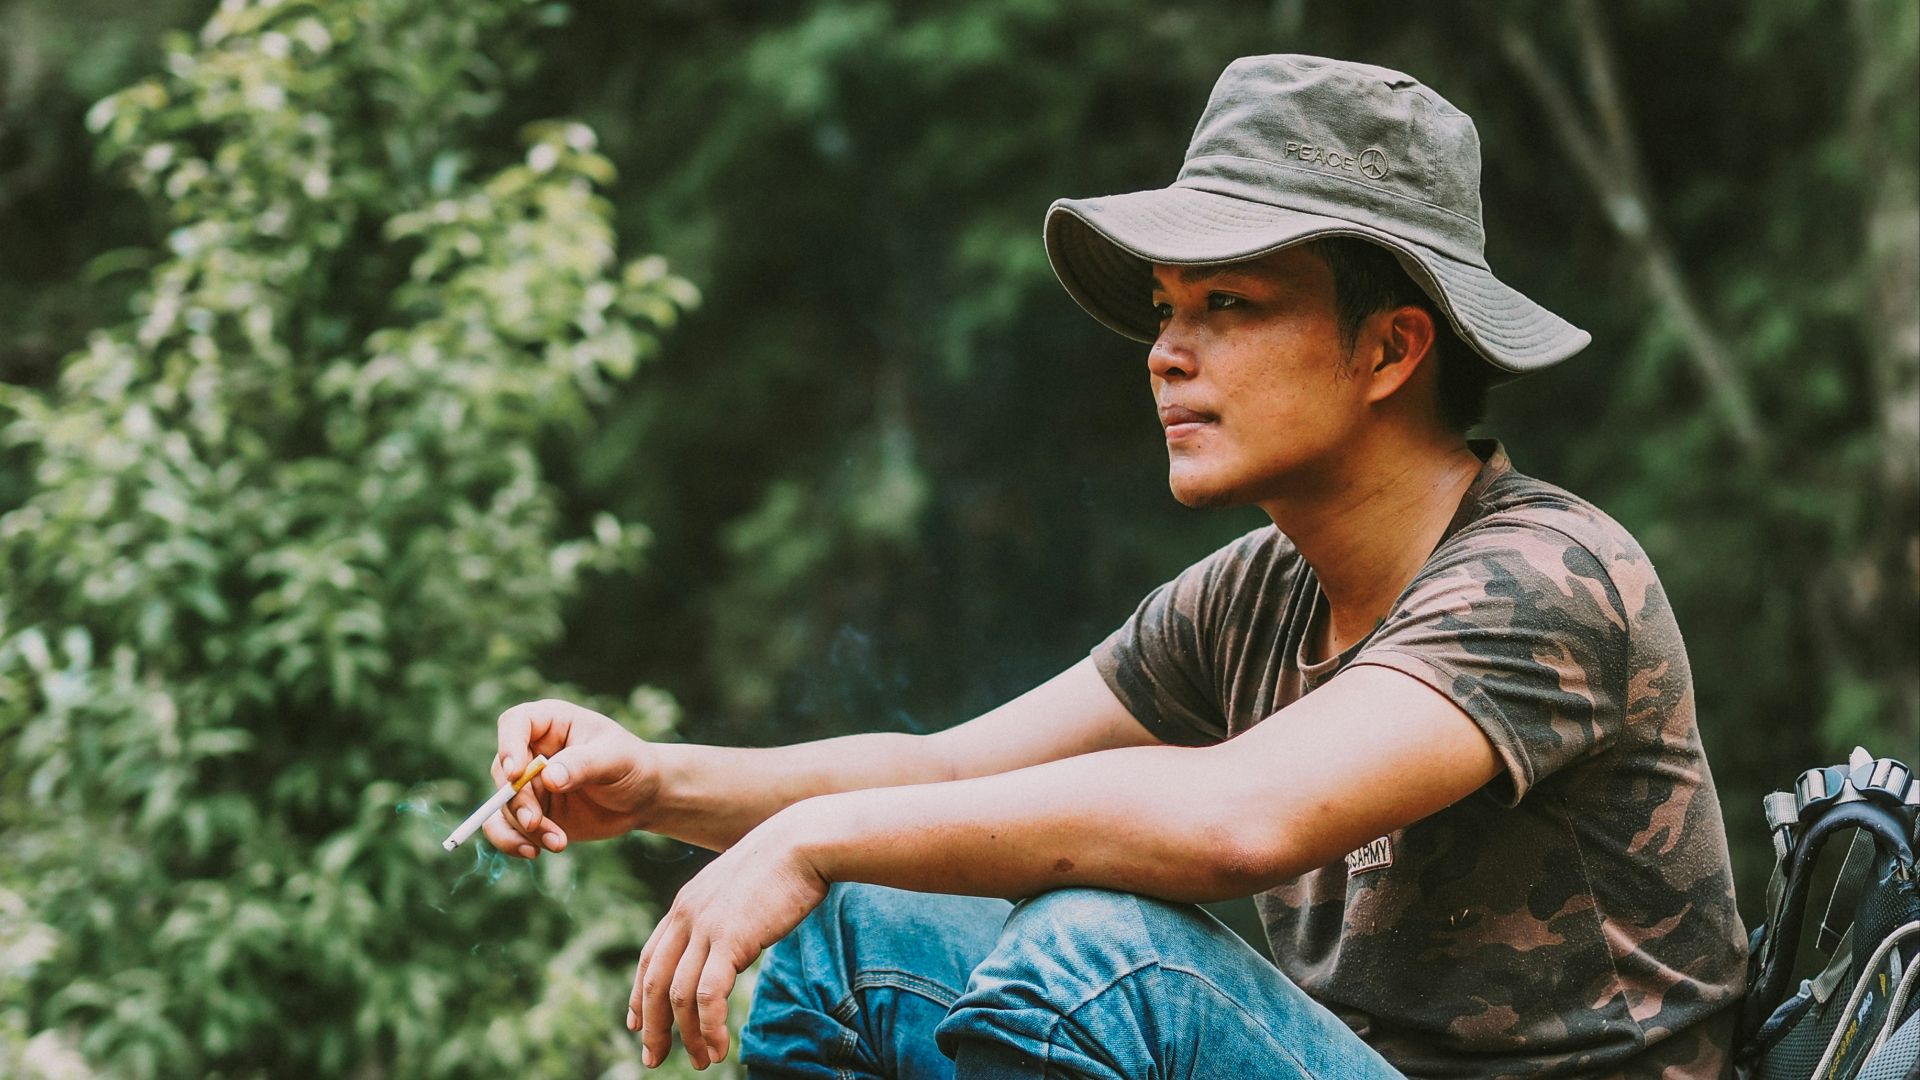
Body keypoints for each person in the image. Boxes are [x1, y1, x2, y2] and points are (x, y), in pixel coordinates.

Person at [480, 54, 1747, 1079]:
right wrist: (653, 784)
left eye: (1228, 308)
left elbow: (1236, 822)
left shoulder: (1547, 577)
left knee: (1108, 955)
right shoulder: (1258, 590)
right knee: (855, 927)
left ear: (1390, 348)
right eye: (1164, 312)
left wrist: (817, 836)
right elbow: (948, 772)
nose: (1165, 354)